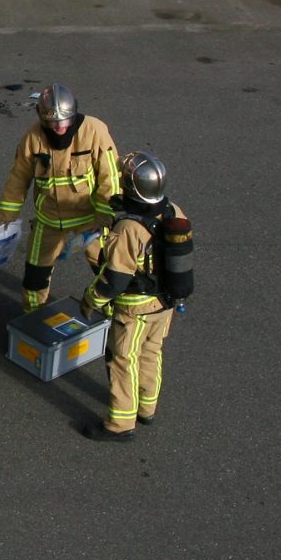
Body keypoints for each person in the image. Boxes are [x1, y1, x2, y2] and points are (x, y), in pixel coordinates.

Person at [80, 151, 190, 442]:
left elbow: (114, 280)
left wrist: (90, 300)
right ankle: (146, 408)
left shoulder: (129, 228)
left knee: (122, 360)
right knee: (152, 352)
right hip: (165, 303)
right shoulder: (174, 211)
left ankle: (120, 424)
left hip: (135, 310)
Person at [0, 83, 120, 312]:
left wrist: (105, 214)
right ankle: (32, 316)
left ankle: (113, 316)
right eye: (53, 123)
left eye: (65, 121)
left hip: (90, 220)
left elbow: (110, 176)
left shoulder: (94, 131)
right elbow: (19, 177)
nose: (60, 127)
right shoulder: (33, 138)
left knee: (108, 272)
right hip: (49, 220)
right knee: (35, 276)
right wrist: (7, 215)